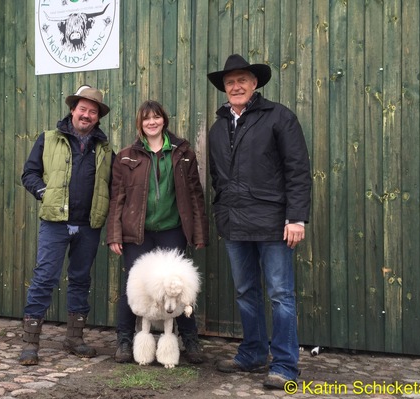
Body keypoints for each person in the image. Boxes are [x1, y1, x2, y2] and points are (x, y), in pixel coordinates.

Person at [206, 54, 312, 389]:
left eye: (242, 80)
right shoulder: (218, 127)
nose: (235, 86)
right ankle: (252, 352)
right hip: (234, 223)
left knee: (280, 293)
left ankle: (284, 364)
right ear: (224, 88)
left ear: (254, 84)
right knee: (244, 291)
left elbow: (298, 170)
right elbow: (217, 176)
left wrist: (296, 217)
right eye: (230, 82)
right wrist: (222, 211)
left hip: (273, 222)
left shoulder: (279, 117)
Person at [106, 100, 209, 365]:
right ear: (140, 124)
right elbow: (117, 197)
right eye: (146, 118)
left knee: (178, 288)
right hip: (137, 234)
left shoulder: (182, 151)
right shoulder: (127, 155)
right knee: (134, 286)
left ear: (164, 120)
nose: (152, 122)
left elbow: (195, 194)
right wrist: (115, 234)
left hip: (172, 231)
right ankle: (125, 340)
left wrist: (198, 232)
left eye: (157, 117)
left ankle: (190, 339)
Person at [19, 85, 114, 366]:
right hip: (55, 222)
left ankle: (74, 339)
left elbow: (116, 183)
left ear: (98, 117)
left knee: (80, 280)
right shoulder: (48, 139)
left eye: (92, 111)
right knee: (45, 277)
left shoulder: (106, 149)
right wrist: (43, 192)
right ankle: (30, 343)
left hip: (89, 224)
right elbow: (30, 173)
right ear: (73, 110)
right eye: (82, 109)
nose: (86, 115)